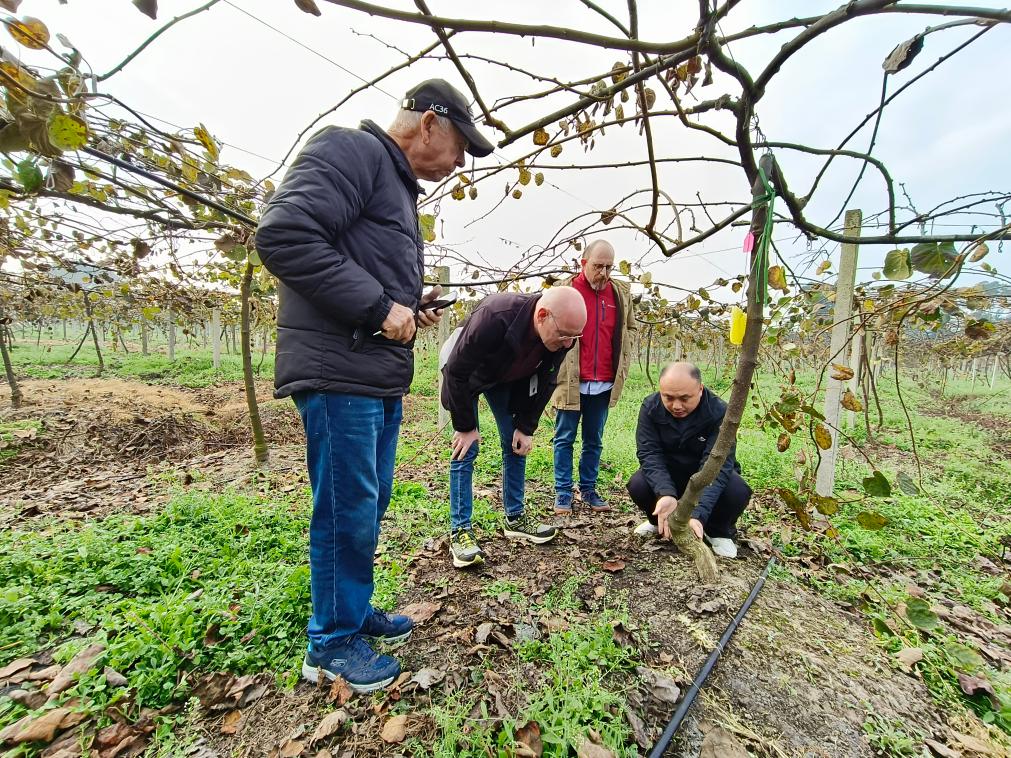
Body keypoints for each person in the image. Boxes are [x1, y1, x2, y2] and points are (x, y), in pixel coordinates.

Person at [255, 78, 494, 692]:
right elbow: (284, 236)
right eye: (462, 146)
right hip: (339, 370)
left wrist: (409, 303)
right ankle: (330, 644)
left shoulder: (393, 183)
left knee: (368, 500)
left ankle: (353, 611)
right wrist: (379, 307)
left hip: (370, 371)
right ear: (430, 123)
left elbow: (359, 271)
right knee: (346, 507)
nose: (460, 163)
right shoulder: (351, 151)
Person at [441, 287, 587, 568]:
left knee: (515, 443)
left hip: (508, 377)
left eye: (575, 337)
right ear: (542, 316)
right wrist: (465, 426)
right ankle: (461, 530)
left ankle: (515, 517)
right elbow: (456, 371)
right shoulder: (495, 316)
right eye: (564, 335)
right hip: (465, 373)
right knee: (466, 447)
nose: (569, 344)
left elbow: (546, 380)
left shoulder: (562, 337)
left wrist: (526, 426)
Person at [627, 362, 751, 558]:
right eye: (668, 397)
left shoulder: (719, 412)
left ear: (700, 389)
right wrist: (665, 493)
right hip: (671, 473)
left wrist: (698, 514)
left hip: (706, 474)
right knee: (638, 484)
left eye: (685, 398)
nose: (676, 406)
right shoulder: (650, 407)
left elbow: (718, 466)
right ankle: (657, 521)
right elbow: (649, 454)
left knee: (737, 490)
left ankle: (717, 531)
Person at [550, 240, 636, 514]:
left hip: (604, 382)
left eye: (609, 267)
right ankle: (563, 492)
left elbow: (630, 328)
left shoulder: (620, 294)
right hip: (570, 379)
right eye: (598, 266)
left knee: (594, 440)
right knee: (564, 438)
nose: (604, 273)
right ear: (583, 263)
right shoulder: (565, 290)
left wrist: (624, 358)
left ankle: (588, 489)